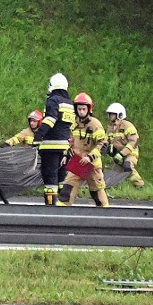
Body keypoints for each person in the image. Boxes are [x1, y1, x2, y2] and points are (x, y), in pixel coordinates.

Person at [56, 92, 108, 207]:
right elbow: (71, 141)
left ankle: (106, 217)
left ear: (89, 109)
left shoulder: (95, 125)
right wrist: (65, 155)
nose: (81, 112)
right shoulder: (75, 124)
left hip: (92, 164)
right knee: (67, 190)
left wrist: (90, 157)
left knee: (97, 193)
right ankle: (61, 216)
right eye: (79, 109)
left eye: (84, 109)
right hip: (78, 162)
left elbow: (103, 143)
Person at [32, 73, 73, 206]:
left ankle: (50, 208)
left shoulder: (53, 100)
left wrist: (39, 135)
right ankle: (63, 206)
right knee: (62, 177)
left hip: (50, 146)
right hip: (66, 147)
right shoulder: (70, 103)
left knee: (50, 177)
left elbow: (50, 119)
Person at [105, 102, 145, 188]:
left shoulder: (127, 126)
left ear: (119, 115)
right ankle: (114, 188)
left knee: (128, 165)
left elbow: (133, 141)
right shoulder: (110, 128)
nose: (110, 116)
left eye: (112, 114)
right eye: (110, 114)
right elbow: (106, 140)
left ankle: (139, 185)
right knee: (115, 174)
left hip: (131, 152)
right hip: (118, 154)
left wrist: (122, 154)